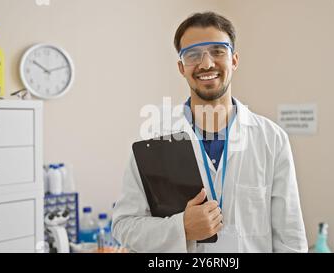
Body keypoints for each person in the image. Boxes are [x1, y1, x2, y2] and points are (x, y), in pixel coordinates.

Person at [112, 11, 308, 253]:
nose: (206, 63)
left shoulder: (272, 139)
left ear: (234, 60)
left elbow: (290, 239)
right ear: (181, 67)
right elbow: (124, 226)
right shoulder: (153, 140)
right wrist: (180, 228)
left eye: (217, 51)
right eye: (193, 54)